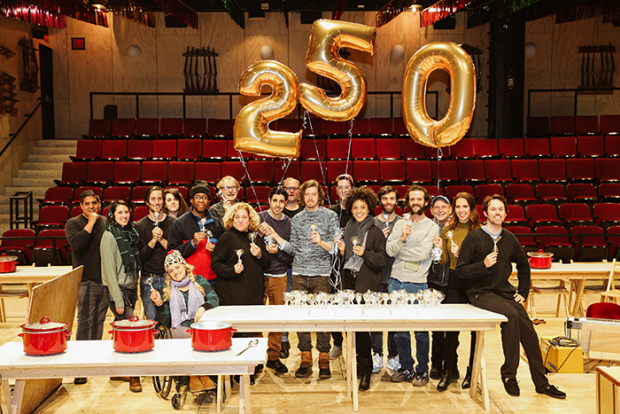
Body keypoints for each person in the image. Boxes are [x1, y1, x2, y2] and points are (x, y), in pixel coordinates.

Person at [456, 194, 566, 399]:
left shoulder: (509, 238)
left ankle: (542, 383)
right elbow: (461, 271)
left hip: (504, 292)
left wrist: (523, 293)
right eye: (493, 209)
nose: (497, 213)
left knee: (529, 331)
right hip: (481, 293)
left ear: (505, 214)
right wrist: (483, 265)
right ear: (486, 213)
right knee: (511, 316)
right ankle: (509, 374)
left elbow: (525, 266)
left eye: (501, 210)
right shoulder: (474, 238)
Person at [273, 180, 339, 379]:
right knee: (301, 318)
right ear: (302, 197)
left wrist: (322, 242)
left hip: (322, 274)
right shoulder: (298, 218)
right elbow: (293, 248)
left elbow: (336, 248)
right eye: (307, 195)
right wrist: (277, 240)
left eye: (314, 194)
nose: (310, 198)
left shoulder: (331, 216)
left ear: (320, 196)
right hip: (299, 273)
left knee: (323, 319)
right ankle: (305, 358)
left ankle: (324, 358)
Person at [336, 187, 388, 391]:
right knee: (350, 326)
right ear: (350, 208)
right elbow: (344, 259)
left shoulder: (375, 231)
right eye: (355, 207)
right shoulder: (348, 227)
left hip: (365, 282)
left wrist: (365, 253)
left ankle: (366, 369)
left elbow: (382, 259)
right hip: (347, 281)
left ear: (369, 209)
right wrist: (341, 252)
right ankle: (356, 364)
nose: (359, 210)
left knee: (363, 329)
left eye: (363, 207)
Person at [386, 185, 438, 386]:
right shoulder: (400, 223)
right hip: (396, 281)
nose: (415, 202)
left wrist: (400, 250)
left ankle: (422, 370)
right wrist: (402, 239)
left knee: (421, 331)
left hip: (418, 284)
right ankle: (406, 367)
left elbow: (423, 254)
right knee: (400, 330)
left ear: (426, 203)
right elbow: (389, 250)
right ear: (407, 202)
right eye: (412, 199)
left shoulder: (431, 226)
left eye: (420, 199)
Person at [151, 250, 219, 393]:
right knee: (193, 337)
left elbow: (214, 299)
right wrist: (159, 304)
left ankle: (203, 374)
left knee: (202, 335)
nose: (175, 272)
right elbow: (166, 320)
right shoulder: (168, 289)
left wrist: (202, 308)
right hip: (180, 326)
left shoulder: (199, 280)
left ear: (184, 265)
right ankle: (195, 375)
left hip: (200, 323)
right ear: (168, 274)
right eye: (171, 271)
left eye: (177, 267)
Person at [432, 192, 480, 391]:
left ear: (471, 209)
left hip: (475, 282)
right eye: (458, 207)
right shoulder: (447, 231)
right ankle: (448, 371)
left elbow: (483, 262)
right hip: (454, 280)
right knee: (451, 330)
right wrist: (439, 250)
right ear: (454, 209)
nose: (461, 211)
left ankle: (471, 372)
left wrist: (464, 256)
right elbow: (444, 261)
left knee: (476, 331)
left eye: (465, 207)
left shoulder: (479, 231)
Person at [65, 189, 108, 385]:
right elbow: (77, 244)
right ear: (81, 206)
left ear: (99, 204)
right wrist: (90, 222)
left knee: (99, 321)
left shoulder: (106, 222)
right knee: (84, 321)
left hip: (104, 279)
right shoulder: (73, 223)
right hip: (84, 279)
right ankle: (80, 366)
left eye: (94, 203)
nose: (92, 207)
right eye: (87, 204)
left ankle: (95, 358)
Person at [100, 200, 142, 393]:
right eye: (120, 213)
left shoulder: (130, 234)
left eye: (126, 212)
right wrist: (118, 299)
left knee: (121, 328)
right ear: (112, 215)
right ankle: (134, 376)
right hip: (116, 290)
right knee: (132, 328)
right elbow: (109, 271)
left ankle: (116, 369)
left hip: (130, 288)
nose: (124, 216)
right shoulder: (109, 236)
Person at [258, 187, 293, 374]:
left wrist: (278, 250)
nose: (278, 205)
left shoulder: (290, 223)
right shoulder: (258, 218)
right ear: (269, 200)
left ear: (285, 203)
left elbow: (291, 252)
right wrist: (258, 232)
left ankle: (273, 357)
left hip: (280, 275)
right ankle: (255, 358)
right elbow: (249, 242)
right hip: (259, 274)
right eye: (275, 200)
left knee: (278, 319)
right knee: (255, 319)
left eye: (282, 201)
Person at [211, 203, 271, 306]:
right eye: (237, 217)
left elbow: (267, 264)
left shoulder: (255, 238)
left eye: (244, 217)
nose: (240, 220)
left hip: (255, 294)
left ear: (250, 219)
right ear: (232, 219)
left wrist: (260, 255)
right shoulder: (226, 237)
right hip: (233, 295)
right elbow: (215, 264)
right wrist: (232, 270)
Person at [169, 180, 224, 285]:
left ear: (208, 201)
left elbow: (225, 251)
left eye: (205, 197)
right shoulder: (179, 223)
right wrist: (192, 244)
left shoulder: (216, 224)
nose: (201, 200)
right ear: (191, 200)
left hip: (214, 281)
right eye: (197, 197)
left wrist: (216, 250)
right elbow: (172, 253)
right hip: (189, 282)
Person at [371, 185, 402, 373]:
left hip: (396, 276)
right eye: (385, 199)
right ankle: (377, 354)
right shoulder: (372, 222)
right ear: (380, 201)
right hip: (376, 276)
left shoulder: (403, 222)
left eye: (392, 199)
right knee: (375, 318)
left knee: (394, 319)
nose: (388, 202)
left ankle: (393, 355)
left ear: (396, 201)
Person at [135, 186, 175, 321]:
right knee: (152, 321)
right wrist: (153, 241)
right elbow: (139, 257)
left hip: (170, 278)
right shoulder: (140, 226)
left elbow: (176, 253)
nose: (157, 202)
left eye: (159, 199)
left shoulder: (173, 223)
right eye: (153, 199)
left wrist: (162, 240)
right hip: (148, 280)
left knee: (170, 319)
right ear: (147, 202)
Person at [329, 174, 354, 360]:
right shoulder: (331, 212)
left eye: (347, 187)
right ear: (336, 191)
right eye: (340, 187)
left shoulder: (358, 211)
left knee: (352, 306)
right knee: (334, 306)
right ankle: (337, 343)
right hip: (334, 265)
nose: (344, 190)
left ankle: (353, 343)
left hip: (354, 264)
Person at [427, 195, 452, 382]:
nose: (440, 210)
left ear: (450, 209)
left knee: (452, 329)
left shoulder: (455, 229)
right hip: (432, 282)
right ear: (431, 210)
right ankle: (435, 364)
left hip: (453, 282)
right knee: (435, 327)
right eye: (437, 207)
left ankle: (451, 365)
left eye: (444, 206)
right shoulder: (427, 228)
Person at [280, 176, 303, 358]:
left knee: (302, 307)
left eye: (295, 188)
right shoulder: (278, 211)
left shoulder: (305, 212)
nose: (292, 191)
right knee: (284, 306)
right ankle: (283, 340)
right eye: (288, 188)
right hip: (282, 267)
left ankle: (306, 349)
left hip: (302, 267)